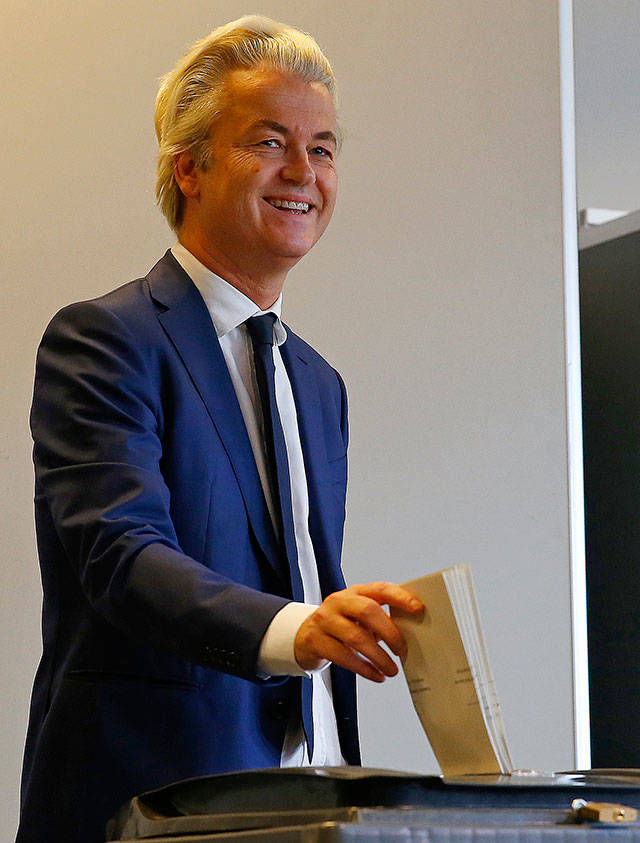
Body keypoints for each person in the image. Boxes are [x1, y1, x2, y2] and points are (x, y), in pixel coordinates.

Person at [17, 16, 423, 843]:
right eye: (269, 141)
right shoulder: (105, 339)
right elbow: (123, 558)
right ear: (189, 168)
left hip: (303, 804)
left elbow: (296, 568)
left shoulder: (318, 382)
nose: (303, 172)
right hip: (143, 806)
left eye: (324, 148)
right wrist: (298, 629)